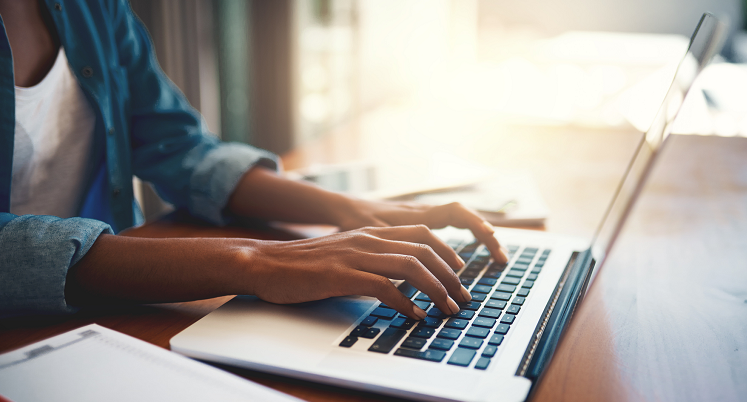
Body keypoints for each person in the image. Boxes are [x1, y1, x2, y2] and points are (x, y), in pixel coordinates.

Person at [0, 0, 507, 320]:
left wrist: (350, 211)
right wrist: (256, 261)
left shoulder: (95, 8)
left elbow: (178, 146)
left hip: (113, 308)